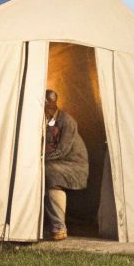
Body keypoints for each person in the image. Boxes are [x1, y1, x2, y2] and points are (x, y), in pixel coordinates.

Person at [42, 89, 89, 241]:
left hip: (74, 166)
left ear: (55, 102)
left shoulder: (67, 121)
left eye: (50, 102)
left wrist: (38, 159)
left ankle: (59, 226)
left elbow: (62, 150)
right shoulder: (43, 119)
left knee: (49, 173)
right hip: (55, 162)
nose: (48, 105)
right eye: (45, 102)